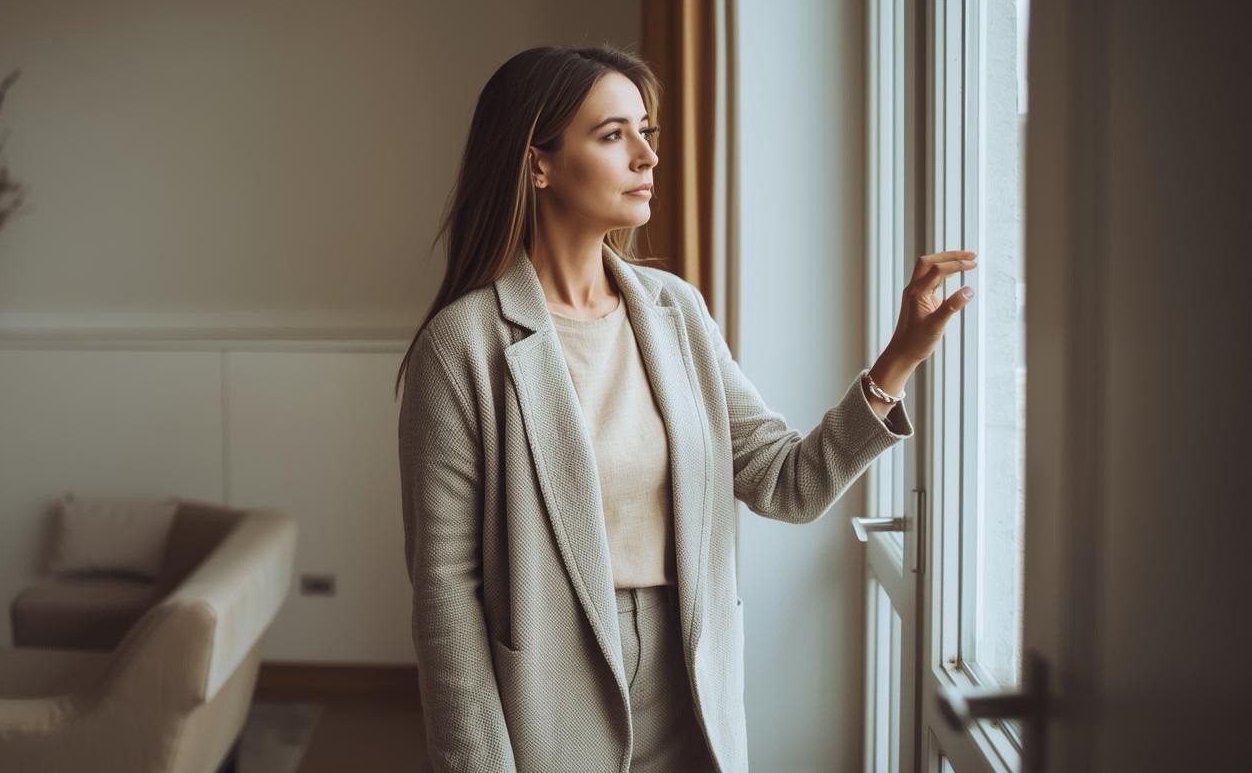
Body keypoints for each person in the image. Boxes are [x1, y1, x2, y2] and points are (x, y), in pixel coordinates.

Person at [395, 45, 975, 773]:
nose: (647, 156)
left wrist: (899, 358)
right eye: (613, 135)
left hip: (689, 678)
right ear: (537, 163)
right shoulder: (461, 347)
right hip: (546, 689)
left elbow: (787, 483)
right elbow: (446, 598)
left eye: (648, 132)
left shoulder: (678, 311)